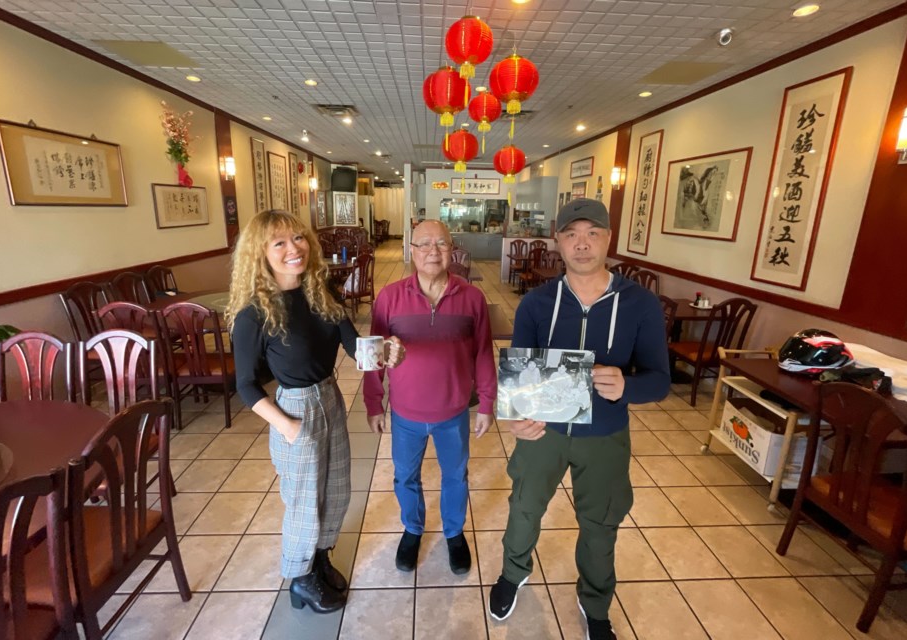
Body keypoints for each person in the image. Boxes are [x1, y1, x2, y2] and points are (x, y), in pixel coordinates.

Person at [488, 199, 670, 640]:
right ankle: (513, 573)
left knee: (601, 521)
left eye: (592, 233)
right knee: (525, 507)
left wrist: (628, 386)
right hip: (543, 433)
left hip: (605, 434)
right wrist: (514, 417)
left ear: (608, 239)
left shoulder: (640, 304)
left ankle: (595, 602)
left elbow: (660, 381)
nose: (582, 243)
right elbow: (519, 375)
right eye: (572, 234)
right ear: (559, 241)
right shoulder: (536, 302)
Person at [227, 210, 404, 614]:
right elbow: (246, 385)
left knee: (337, 489)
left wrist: (385, 352)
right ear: (261, 254)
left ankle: (321, 558)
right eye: (280, 243)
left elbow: (353, 346)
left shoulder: (321, 291)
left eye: (298, 238)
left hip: (330, 399)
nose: (294, 249)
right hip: (294, 407)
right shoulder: (253, 313)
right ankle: (301, 577)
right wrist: (286, 425)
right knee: (305, 499)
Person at [364, 220, 497, 575]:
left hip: (453, 412)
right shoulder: (390, 297)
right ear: (411, 250)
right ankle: (413, 529)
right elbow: (374, 356)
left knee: (456, 476)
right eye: (424, 244)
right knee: (405, 476)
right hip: (405, 413)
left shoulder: (471, 298)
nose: (433, 252)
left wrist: (487, 402)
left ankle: (454, 532)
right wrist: (374, 403)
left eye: (441, 244)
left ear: (451, 249)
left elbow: (484, 353)